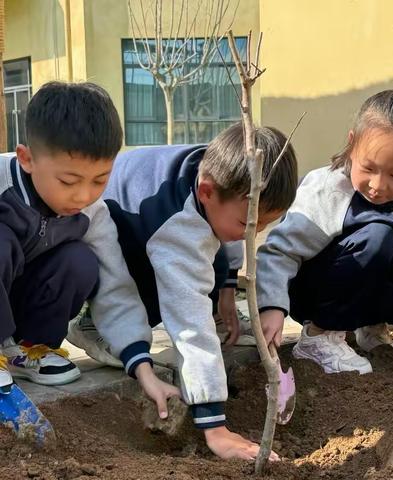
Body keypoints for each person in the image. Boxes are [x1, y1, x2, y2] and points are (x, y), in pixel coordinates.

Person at [68, 122, 298, 459]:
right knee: (180, 285)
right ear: (206, 191)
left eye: (264, 225)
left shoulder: (222, 173)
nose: (255, 232)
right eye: (249, 223)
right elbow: (189, 323)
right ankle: (94, 325)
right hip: (115, 237)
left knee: (215, 247)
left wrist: (227, 292)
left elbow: (231, 232)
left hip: (158, 219)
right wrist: (214, 425)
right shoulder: (177, 226)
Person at [258, 81, 393, 375]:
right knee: (380, 234)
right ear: (352, 144)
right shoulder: (328, 189)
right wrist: (272, 306)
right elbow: (278, 251)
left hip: (368, 289)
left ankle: (367, 324)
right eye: (369, 168)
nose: (377, 186)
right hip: (314, 295)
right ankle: (320, 336)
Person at [0, 82, 179, 420]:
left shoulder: (92, 214)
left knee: (81, 261)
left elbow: (115, 286)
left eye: (99, 180)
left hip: (18, 307)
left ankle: (27, 352)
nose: (83, 196)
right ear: (27, 159)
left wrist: (143, 369)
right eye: (68, 182)